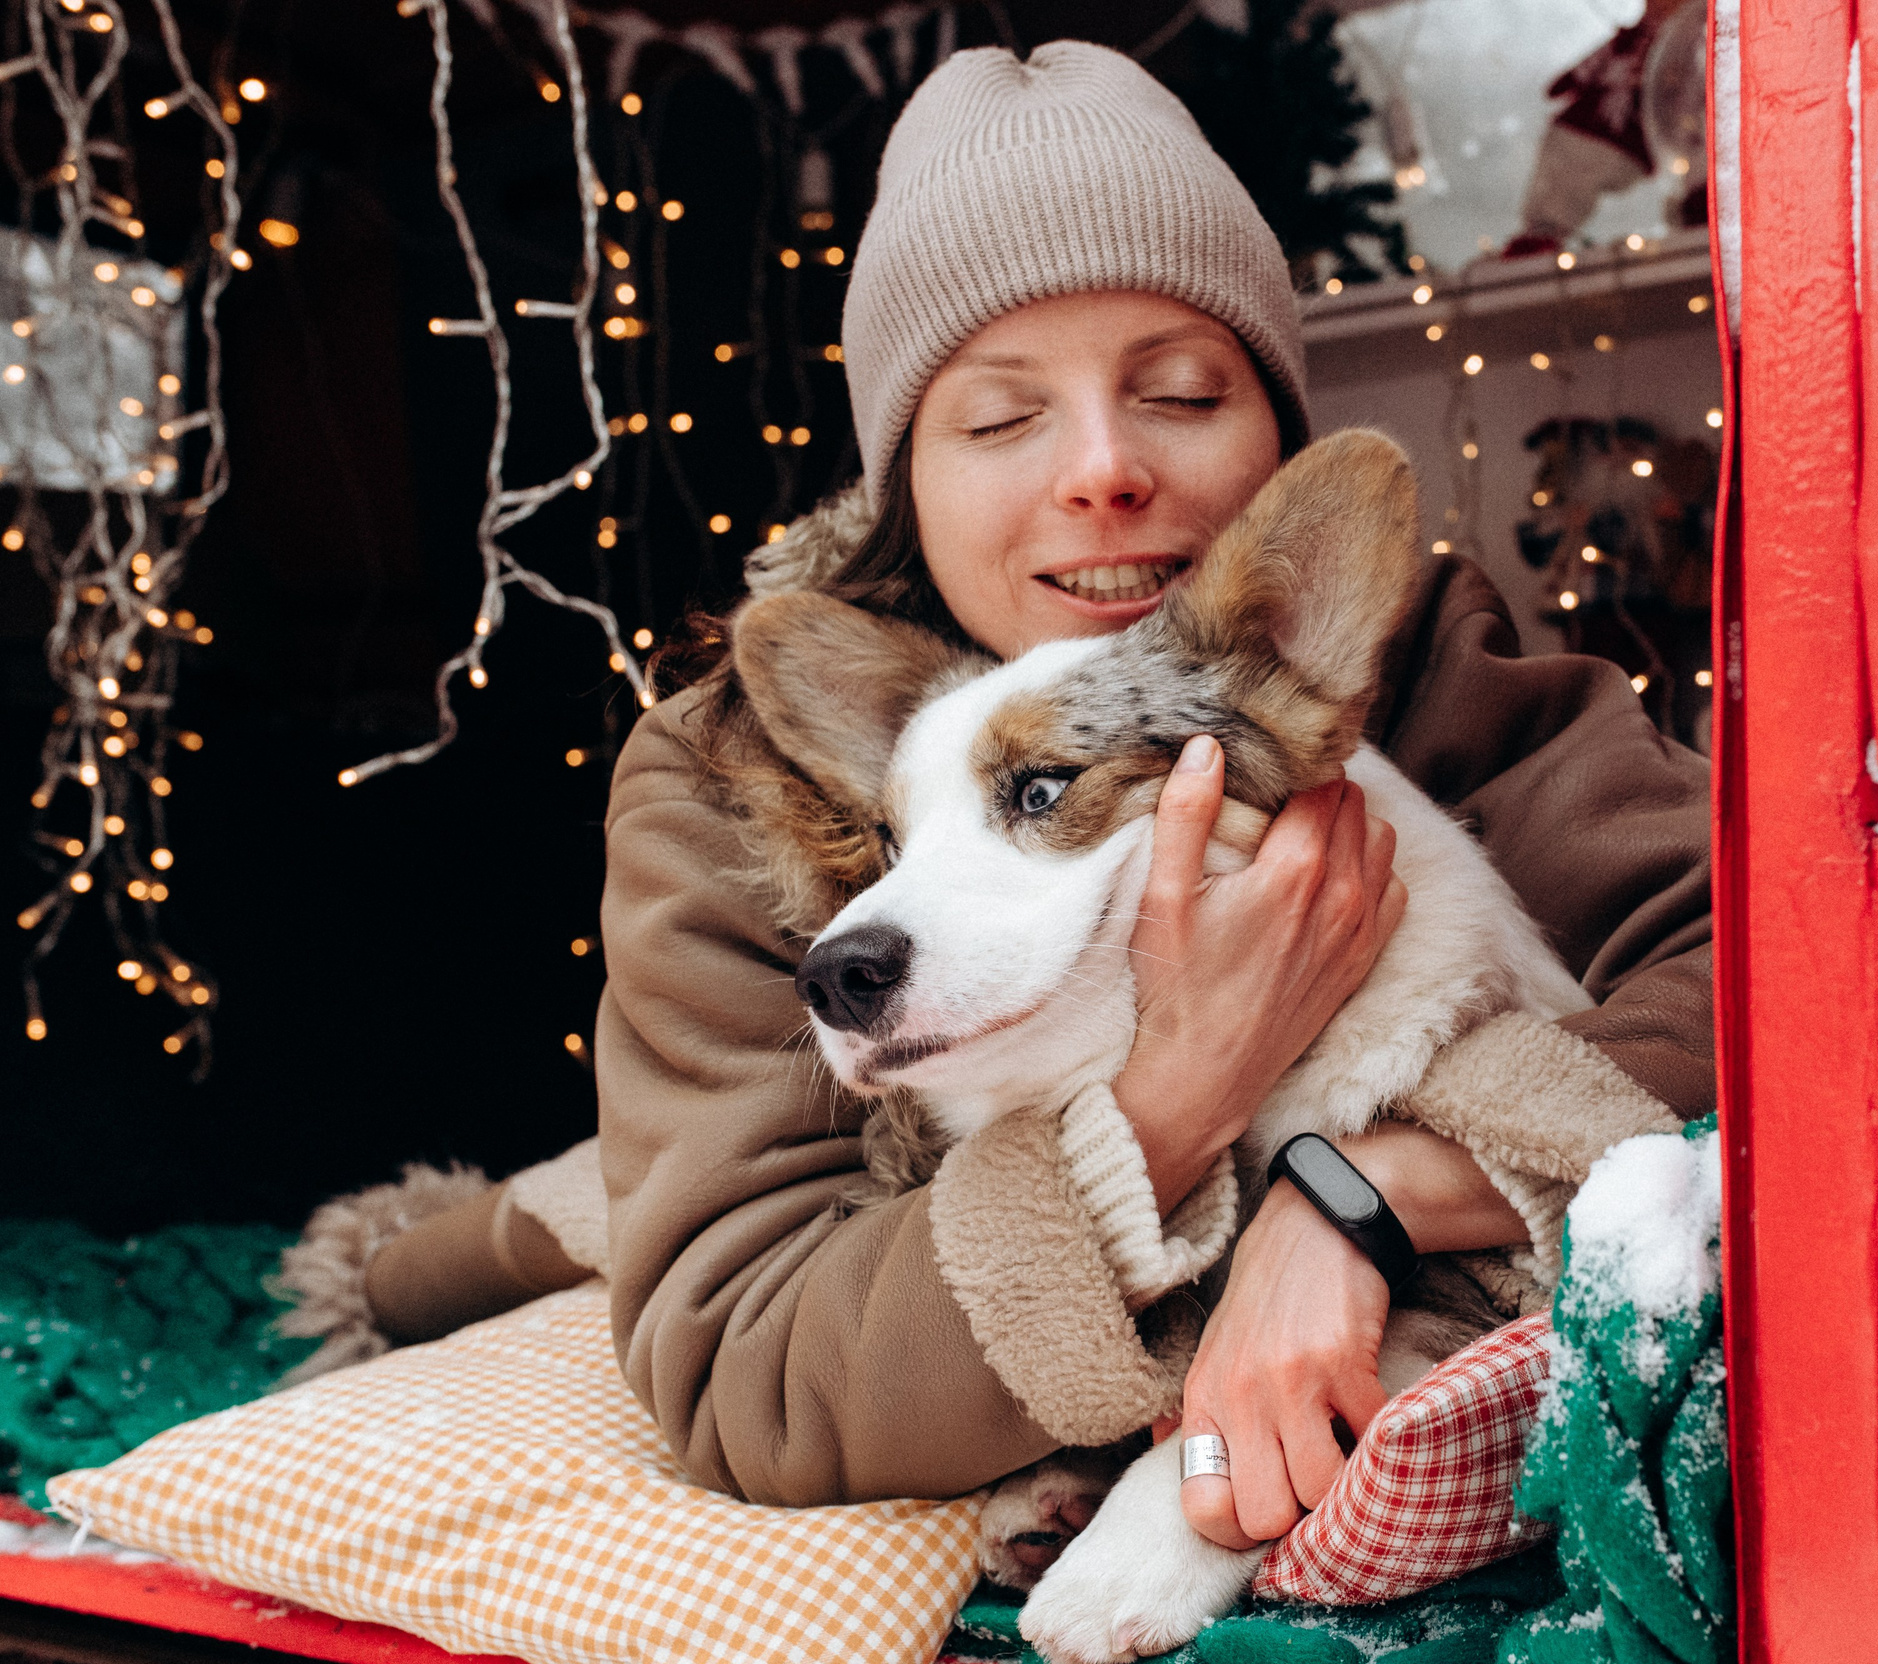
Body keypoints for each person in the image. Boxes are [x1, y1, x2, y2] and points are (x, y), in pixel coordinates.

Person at [282, 41, 1714, 1557]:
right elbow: (755, 1377)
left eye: (1179, 389)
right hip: (742, 1174)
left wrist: (1352, 1194)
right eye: (997, 416)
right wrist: (1188, 1085)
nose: (1105, 470)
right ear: (906, 475)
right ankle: (398, 1259)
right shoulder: (733, 774)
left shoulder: (1393, 656)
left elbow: (1777, 986)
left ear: (1272, 438)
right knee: (540, 1227)